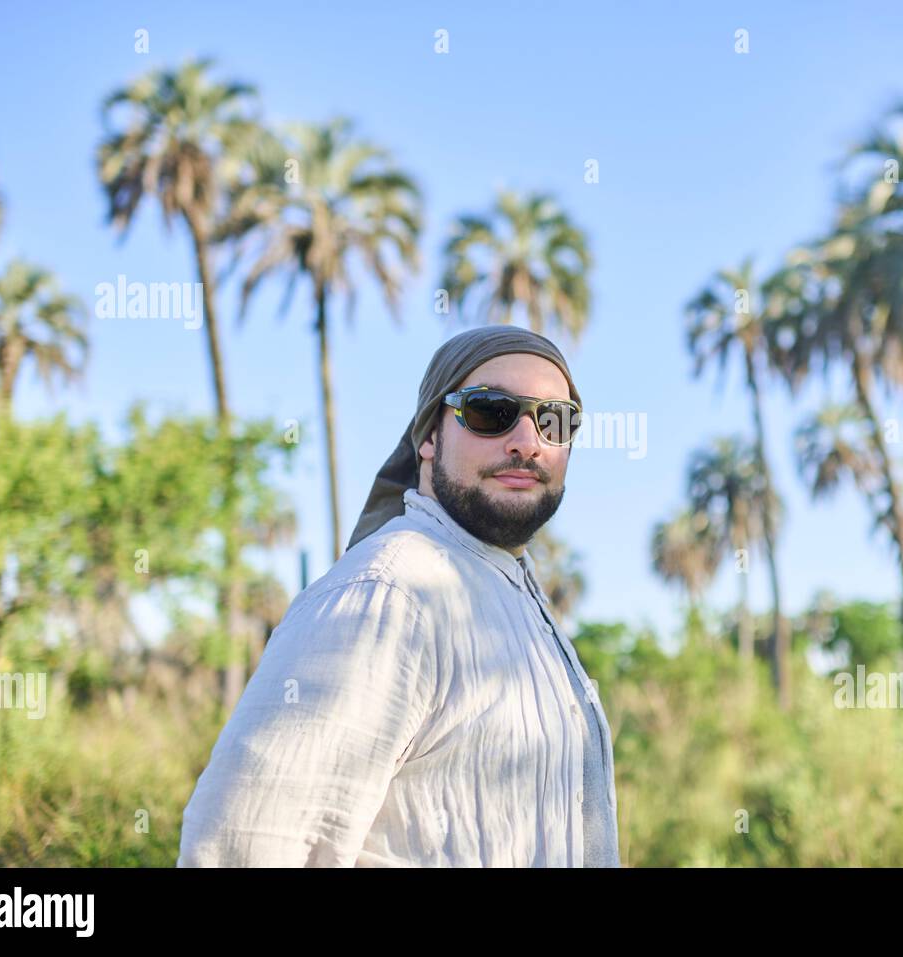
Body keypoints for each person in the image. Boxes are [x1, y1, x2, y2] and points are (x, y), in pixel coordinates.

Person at [177, 326, 619, 867]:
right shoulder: (389, 593)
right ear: (429, 437)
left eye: (554, 420)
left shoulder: (514, 596)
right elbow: (243, 846)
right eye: (490, 411)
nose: (527, 441)